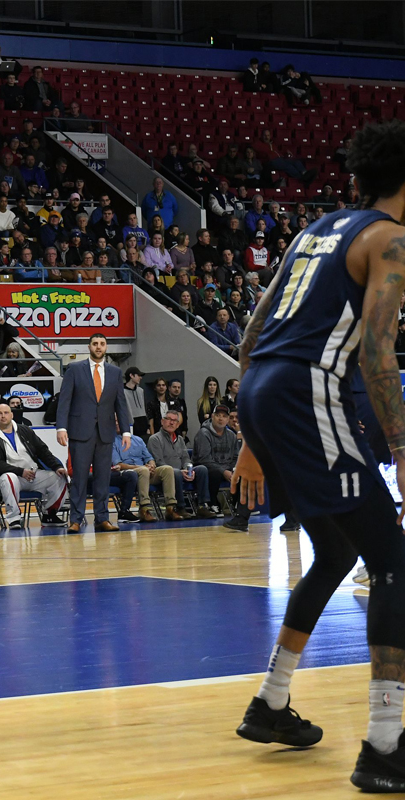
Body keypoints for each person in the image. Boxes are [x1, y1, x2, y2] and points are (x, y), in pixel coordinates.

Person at [229, 120, 405, 792]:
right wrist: (402, 449)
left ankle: (270, 703)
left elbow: (252, 333)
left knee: (335, 552)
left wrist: (252, 436)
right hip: (306, 391)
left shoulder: (317, 230)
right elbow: (377, 354)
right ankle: (386, 744)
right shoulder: (389, 239)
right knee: (392, 561)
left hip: (263, 390)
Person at [56, 333, 131, 532]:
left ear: (106, 347)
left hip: (105, 432)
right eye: (95, 343)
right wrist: (61, 427)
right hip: (80, 431)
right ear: (89, 347)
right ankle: (76, 520)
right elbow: (65, 400)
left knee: (103, 478)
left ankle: (102, 518)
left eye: (102, 344)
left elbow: (120, 403)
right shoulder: (74, 369)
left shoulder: (115, 372)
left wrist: (126, 431)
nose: (99, 347)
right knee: (79, 478)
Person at [0, 402, 67, 530]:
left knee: (59, 477)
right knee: (8, 477)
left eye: (6, 413)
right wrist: (20, 471)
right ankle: (14, 519)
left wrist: (57, 467)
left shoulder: (25, 430)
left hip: (32, 474)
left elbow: (42, 451)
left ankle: (49, 515)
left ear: (12, 415)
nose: (3, 416)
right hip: (10, 478)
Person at [147, 410, 209, 520]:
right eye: (168, 419)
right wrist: (180, 472)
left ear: (178, 424)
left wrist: (188, 469)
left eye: (175, 421)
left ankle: (202, 506)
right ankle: (180, 507)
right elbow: (158, 461)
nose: (171, 423)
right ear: (162, 421)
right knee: (174, 472)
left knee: (202, 469)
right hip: (164, 474)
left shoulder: (180, 439)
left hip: (181, 471)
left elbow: (186, 458)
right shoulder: (155, 439)